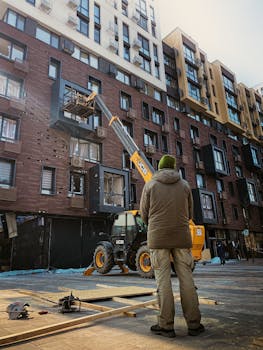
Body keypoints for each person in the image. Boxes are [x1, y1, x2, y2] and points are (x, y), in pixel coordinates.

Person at [140, 154, 204, 338]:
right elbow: (190, 213)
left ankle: (166, 325)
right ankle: (194, 324)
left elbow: (144, 214)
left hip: (158, 238)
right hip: (182, 237)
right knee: (187, 280)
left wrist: (155, 224)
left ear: (159, 167)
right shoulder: (184, 185)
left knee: (163, 281)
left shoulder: (150, 184)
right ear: (174, 167)